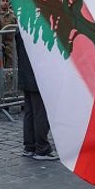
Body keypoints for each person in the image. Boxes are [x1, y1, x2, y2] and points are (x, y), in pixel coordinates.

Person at [17, 32, 57, 160]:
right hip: (39, 77)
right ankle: (42, 148)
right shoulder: (38, 29)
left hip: (26, 75)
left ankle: (30, 146)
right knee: (40, 113)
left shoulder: (21, 28)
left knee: (30, 112)